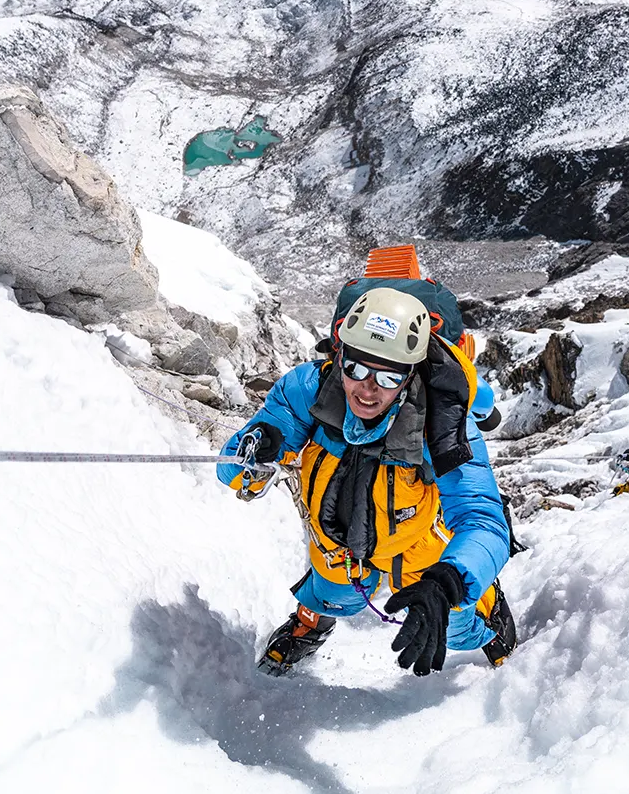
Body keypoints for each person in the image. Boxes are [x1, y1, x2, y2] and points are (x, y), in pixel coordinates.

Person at [217, 286, 515, 677]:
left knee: (455, 627)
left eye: (388, 377)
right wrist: (255, 455)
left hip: (420, 541)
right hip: (338, 539)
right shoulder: (310, 389)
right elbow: (231, 468)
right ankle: (313, 621)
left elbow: (482, 519)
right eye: (356, 369)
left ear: (410, 375)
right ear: (339, 356)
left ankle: (484, 607)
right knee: (332, 592)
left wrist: (449, 582)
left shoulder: (443, 422)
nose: (367, 389)